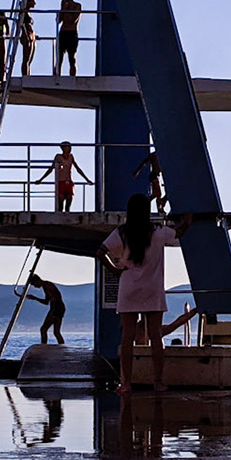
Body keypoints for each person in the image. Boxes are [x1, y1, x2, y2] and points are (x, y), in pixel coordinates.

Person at [102, 194, 191, 392]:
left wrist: (114, 270)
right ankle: (158, 381)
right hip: (153, 288)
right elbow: (179, 233)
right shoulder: (157, 231)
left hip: (129, 288)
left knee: (127, 337)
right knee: (156, 336)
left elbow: (101, 252)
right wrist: (187, 219)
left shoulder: (121, 232)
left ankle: (126, 383)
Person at [34, 140, 87, 213]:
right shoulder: (58, 157)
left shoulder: (71, 157)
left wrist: (87, 179)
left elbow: (78, 169)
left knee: (69, 199)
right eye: (67, 147)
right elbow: (51, 169)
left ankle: (67, 215)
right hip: (60, 181)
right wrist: (41, 179)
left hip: (68, 181)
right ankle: (60, 214)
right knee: (61, 201)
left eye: (69, 147)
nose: (69, 148)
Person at [26, 273, 68, 346]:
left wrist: (54, 312)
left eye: (33, 284)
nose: (35, 286)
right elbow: (46, 302)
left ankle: (44, 346)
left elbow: (55, 298)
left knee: (43, 329)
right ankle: (62, 346)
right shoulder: (46, 286)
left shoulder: (47, 285)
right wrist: (34, 298)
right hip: (58, 308)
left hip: (56, 308)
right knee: (56, 332)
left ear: (37, 280)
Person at [55, 0, 82, 75]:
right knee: (59, 57)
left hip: (71, 33)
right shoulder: (63, 6)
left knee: (72, 57)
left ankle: (72, 77)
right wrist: (62, 9)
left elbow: (73, 19)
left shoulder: (77, 6)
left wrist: (66, 10)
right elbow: (58, 20)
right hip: (63, 33)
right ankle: (57, 75)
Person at [134, 148, 166, 214]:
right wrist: (137, 171)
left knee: (156, 194)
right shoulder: (154, 155)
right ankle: (159, 209)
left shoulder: (159, 155)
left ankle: (159, 209)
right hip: (153, 176)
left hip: (156, 176)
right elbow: (144, 162)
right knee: (157, 194)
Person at [18, 0, 39, 75]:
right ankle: (25, 75)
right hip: (26, 35)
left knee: (29, 59)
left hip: (31, 35)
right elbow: (21, 24)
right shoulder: (23, 12)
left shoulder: (28, 12)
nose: (34, 3)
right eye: (32, 1)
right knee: (26, 59)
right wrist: (26, 35)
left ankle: (28, 74)